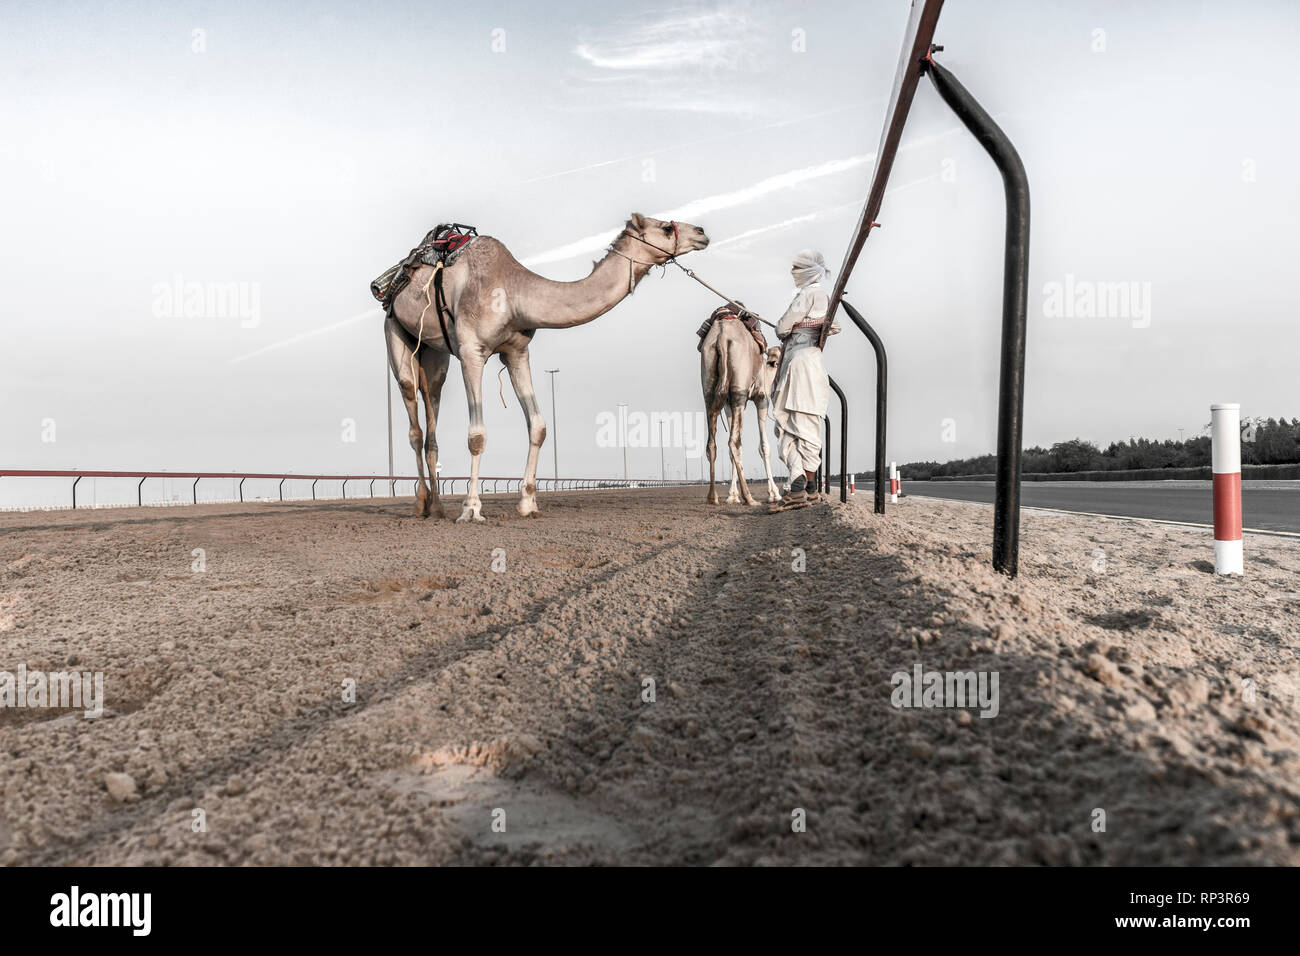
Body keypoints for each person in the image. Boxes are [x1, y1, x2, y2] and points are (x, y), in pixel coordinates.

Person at [768, 249, 839, 510]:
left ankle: (797, 489)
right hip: (813, 364)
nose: (793, 274)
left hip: (797, 365)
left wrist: (794, 327)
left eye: (796, 269)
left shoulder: (808, 294)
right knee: (808, 427)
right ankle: (810, 489)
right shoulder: (825, 297)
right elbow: (831, 325)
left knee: (789, 425)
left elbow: (781, 327)